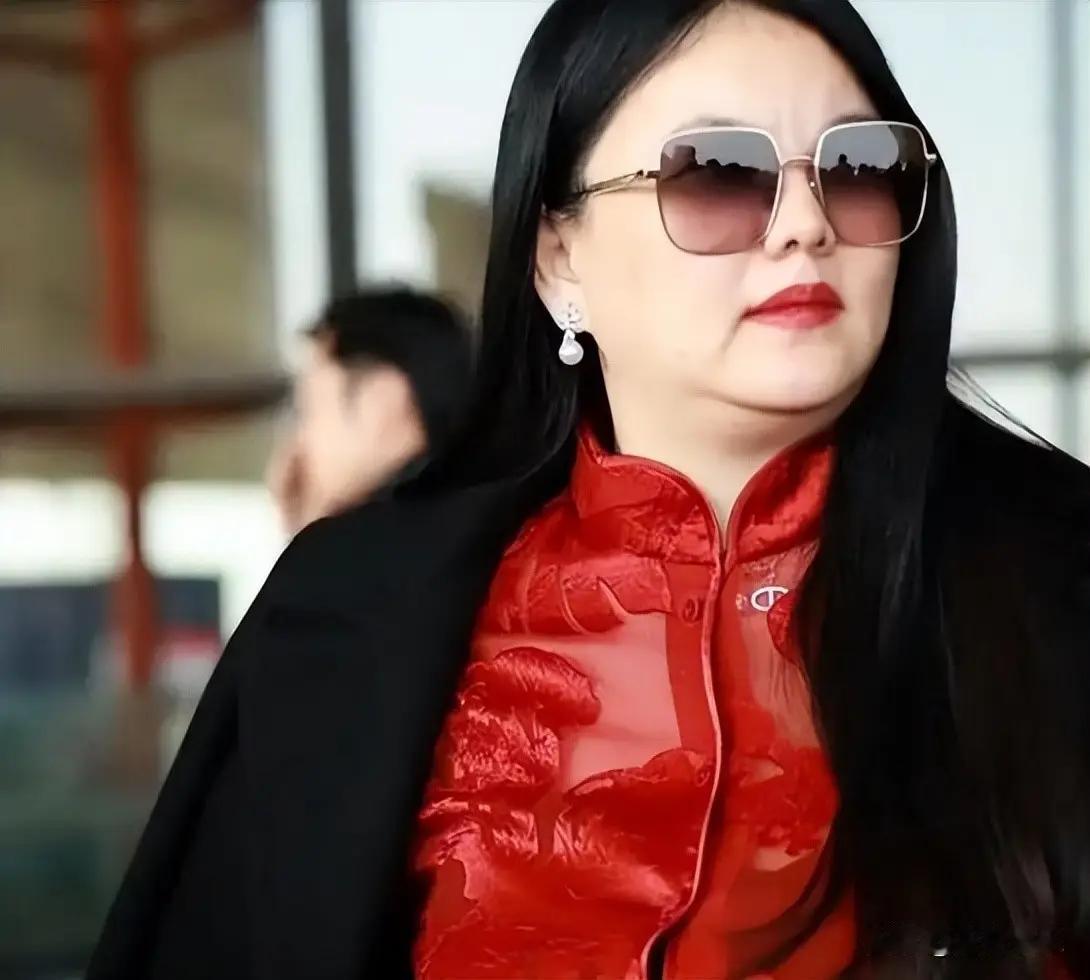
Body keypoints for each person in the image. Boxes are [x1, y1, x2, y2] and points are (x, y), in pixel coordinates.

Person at [87, 2, 1090, 978]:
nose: (805, 225)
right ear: (559, 258)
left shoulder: (1062, 579)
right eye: (718, 173)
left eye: (858, 167)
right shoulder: (349, 617)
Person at [266, 286, 474, 534]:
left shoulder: (393, 543)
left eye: (307, 410)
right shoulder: (473, 522)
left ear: (384, 402)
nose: (299, 443)